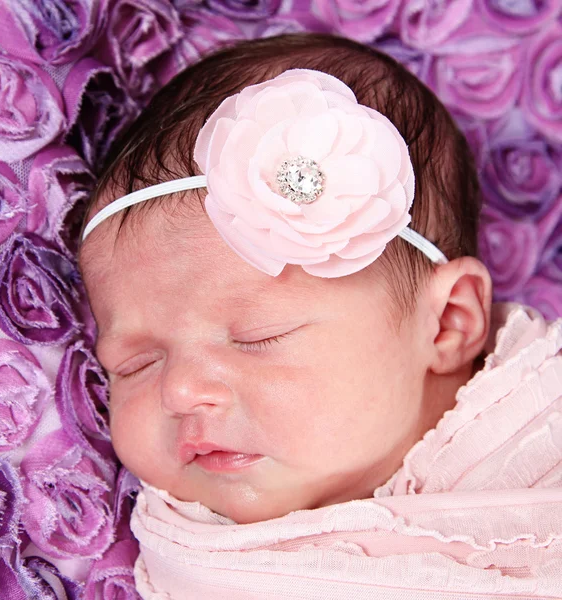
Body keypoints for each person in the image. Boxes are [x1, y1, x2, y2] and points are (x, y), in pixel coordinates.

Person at [78, 34, 562, 599]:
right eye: (134, 363)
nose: (180, 391)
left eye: (259, 336)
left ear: (448, 322)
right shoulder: (188, 555)